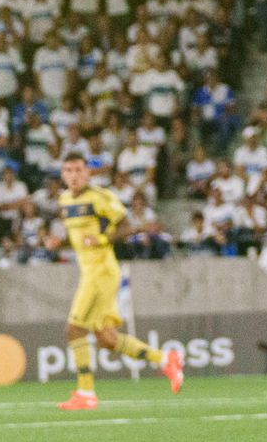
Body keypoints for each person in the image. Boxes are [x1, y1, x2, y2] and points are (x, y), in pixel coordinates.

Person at [47, 154, 183, 411]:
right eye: (68, 171)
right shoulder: (64, 201)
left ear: (88, 173)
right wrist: (59, 243)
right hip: (89, 271)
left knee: (74, 329)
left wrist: (100, 240)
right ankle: (166, 359)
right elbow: (78, 237)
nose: (73, 175)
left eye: (78, 170)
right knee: (106, 338)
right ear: (62, 175)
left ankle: (86, 393)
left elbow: (127, 227)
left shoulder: (100, 197)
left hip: (101, 271)